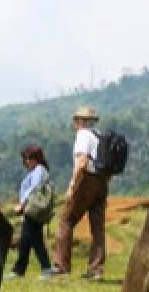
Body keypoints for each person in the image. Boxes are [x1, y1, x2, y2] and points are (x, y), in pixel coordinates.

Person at [52, 106, 109, 280]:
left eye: (76, 120)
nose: (75, 123)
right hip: (102, 181)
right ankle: (96, 269)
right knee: (97, 228)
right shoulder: (100, 136)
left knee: (66, 220)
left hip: (86, 180)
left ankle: (62, 266)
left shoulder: (83, 135)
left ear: (80, 121)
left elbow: (82, 162)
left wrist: (72, 186)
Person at [8, 145, 54, 279]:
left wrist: (22, 204)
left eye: (30, 158)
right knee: (25, 241)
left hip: (33, 209)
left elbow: (34, 188)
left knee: (35, 240)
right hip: (32, 210)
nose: (27, 161)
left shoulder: (39, 170)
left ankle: (46, 268)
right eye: (26, 158)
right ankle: (19, 270)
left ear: (37, 158)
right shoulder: (36, 171)